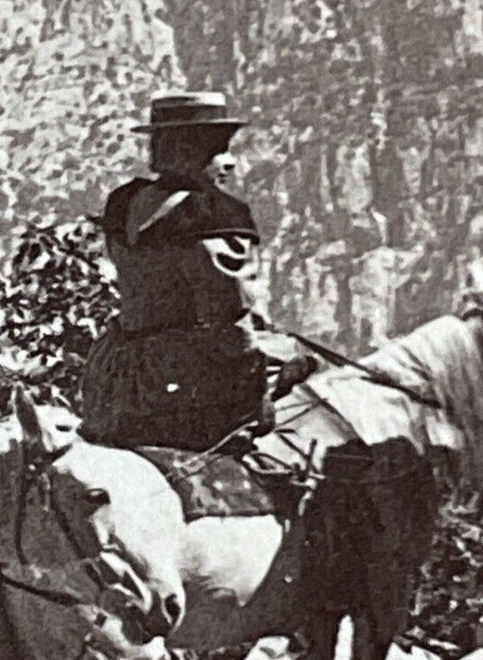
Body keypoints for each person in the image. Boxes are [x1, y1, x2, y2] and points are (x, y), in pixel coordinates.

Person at [79, 91, 314, 452]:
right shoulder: (210, 219)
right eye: (217, 150)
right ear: (185, 151)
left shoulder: (126, 204)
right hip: (180, 383)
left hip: (118, 376)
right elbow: (230, 323)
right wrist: (263, 383)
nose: (231, 162)